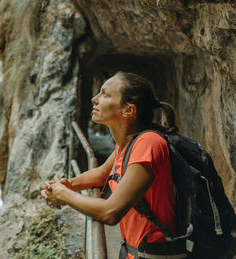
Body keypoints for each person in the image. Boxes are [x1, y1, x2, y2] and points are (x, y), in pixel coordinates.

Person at [41, 71, 186, 259]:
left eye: (105, 94)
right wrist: (66, 185)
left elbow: (110, 212)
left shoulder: (149, 144)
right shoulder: (127, 143)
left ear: (129, 110)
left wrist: (63, 194)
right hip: (135, 251)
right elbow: (103, 173)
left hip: (155, 254)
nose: (94, 99)